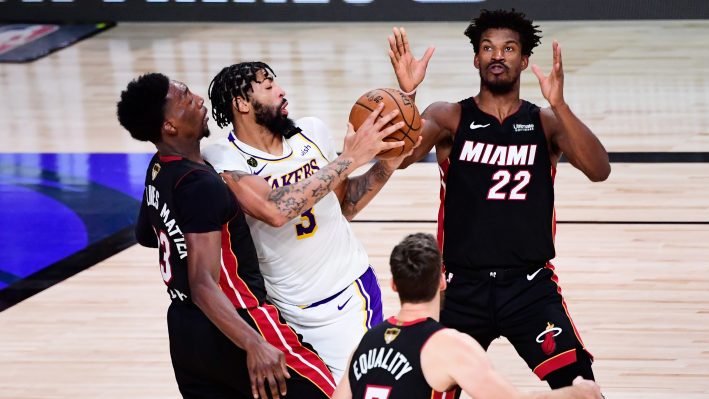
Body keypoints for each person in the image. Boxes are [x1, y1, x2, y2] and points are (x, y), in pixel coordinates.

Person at [117, 73, 397, 398]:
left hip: (183, 331)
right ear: (169, 126)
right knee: (328, 393)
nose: (197, 99)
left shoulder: (159, 170)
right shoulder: (204, 182)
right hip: (237, 317)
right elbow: (203, 283)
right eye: (185, 98)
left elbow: (148, 234)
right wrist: (254, 343)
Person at [386, 9, 611, 391]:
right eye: (487, 48)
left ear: (523, 60)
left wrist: (559, 104)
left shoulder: (544, 122)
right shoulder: (450, 117)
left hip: (529, 287)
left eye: (508, 48)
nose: (497, 55)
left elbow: (599, 169)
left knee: (581, 389)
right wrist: (407, 96)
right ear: (476, 59)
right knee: (422, 389)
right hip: (459, 287)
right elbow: (398, 159)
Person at [203, 61, 417, 380]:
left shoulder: (311, 132)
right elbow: (275, 210)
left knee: (364, 387)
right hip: (285, 312)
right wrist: (350, 158)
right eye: (268, 86)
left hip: (348, 297)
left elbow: (345, 204)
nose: (282, 90)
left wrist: (404, 107)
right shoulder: (224, 156)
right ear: (241, 103)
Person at [333, 233, 603, 399]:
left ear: (393, 284)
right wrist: (578, 393)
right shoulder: (449, 346)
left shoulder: (365, 343)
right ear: (442, 281)